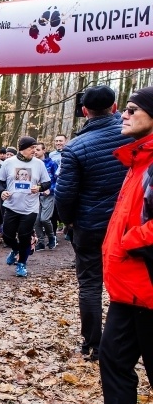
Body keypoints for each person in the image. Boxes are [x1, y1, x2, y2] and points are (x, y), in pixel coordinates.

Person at [68, 86, 153, 404]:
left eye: (133, 110)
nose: (124, 115)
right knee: (113, 361)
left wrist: (126, 242)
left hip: (149, 289)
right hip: (127, 290)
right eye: (125, 109)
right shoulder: (137, 159)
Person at [55, 85, 131, 363]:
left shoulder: (76, 147)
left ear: (84, 111)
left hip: (90, 224)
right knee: (127, 280)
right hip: (129, 224)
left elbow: (64, 194)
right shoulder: (135, 135)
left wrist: (69, 221)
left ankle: (93, 344)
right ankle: (125, 341)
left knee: (90, 283)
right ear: (115, 107)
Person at [0, 136, 51, 278]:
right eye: (31, 148)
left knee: (25, 236)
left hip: (30, 207)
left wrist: (39, 187)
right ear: (22, 148)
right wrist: (2, 191)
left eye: (36, 148)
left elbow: (47, 183)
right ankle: (15, 250)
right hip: (12, 206)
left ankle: (21, 264)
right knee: (7, 236)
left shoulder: (39, 164)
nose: (34, 151)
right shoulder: (9, 163)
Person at [33, 143, 57, 250]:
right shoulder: (33, 164)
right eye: (34, 150)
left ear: (44, 150)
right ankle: (41, 242)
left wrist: (50, 189)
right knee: (36, 220)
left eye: (38, 150)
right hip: (35, 196)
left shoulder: (52, 164)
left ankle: (52, 237)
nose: (35, 152)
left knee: (44, 219)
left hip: (49, 195)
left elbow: (58, 180)